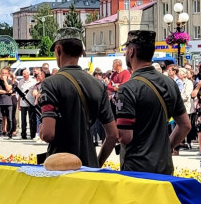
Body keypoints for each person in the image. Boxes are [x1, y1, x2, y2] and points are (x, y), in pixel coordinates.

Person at [37, 28, 118, 168]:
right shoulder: (98, 84)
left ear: (58, 49)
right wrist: (97, 163)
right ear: (81, 51)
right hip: (89, 166)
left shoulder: (51, 83)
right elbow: (113, 135)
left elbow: (48, 134)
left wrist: (41, 128)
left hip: (59, 168)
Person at [114, 30, 191, 174]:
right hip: (164, 168)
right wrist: (166, 148)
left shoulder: (128, 89)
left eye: (126, 50)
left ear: (131, 51)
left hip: (137, 170)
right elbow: (185, 125)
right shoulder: (170, 83)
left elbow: (125, 136)